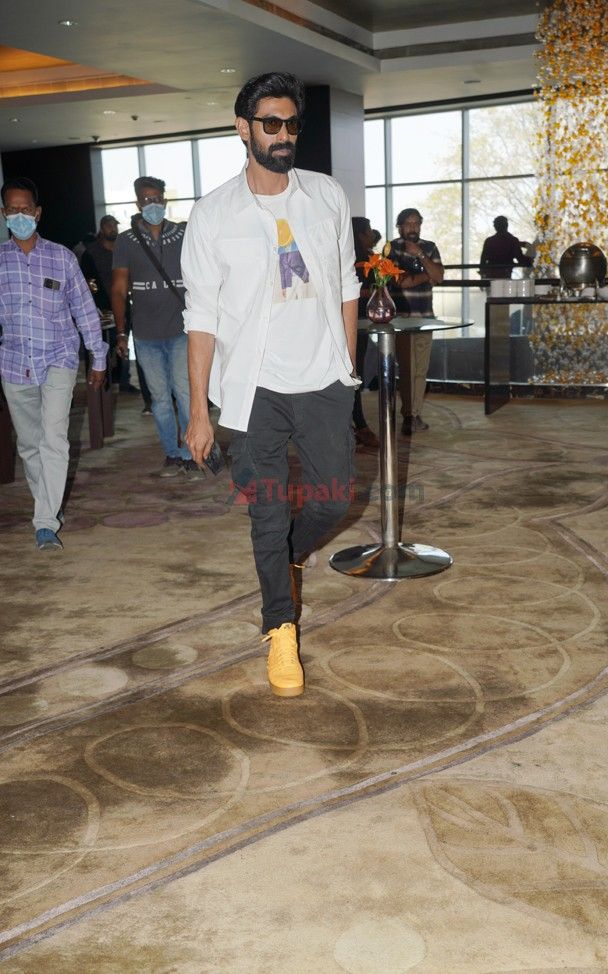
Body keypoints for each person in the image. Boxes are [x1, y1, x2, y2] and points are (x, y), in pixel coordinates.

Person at [182, 71, 360, 698]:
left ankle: (285, 556)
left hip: (323, 377)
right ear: (244, 128)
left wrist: (347, 366)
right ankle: (279, 629)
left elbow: (347, 286)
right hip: (252, 385)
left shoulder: (326, 196)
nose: (284, 135)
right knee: (266, 509)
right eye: (271, 124)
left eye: (291, 124)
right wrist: (200, 412)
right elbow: (201, 318)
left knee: (334, 500)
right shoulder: (213, 215)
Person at [0, 177, 107, 550]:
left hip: (58, 357)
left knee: (54, 439)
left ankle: (45, 523)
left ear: (38, 212)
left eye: (26, 209)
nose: (20, 215)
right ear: (4, 213)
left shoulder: (61, 257)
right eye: (13, 210)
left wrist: (98, 356)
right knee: (29, 445)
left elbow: (84, 309)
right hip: (14, 364)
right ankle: (48, 503)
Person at [111, 176, 212, 479]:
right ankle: (171, 453)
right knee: (159, 400)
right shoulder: (126, 241)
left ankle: (192, 453)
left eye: (157, 199)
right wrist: (121, 333)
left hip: (182, 331)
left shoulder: (183, 234)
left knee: (185, 393)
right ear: (137, 203)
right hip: (146, 335)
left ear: (164, 201)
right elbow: (118, 289)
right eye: (146, 200)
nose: (152, 204)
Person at [387, 208, 444, 435]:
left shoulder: (429, 247)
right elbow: (401, 282)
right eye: (408, 223)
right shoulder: (391, 249)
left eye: (416, 223)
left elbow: (439, 276)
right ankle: (407, 414)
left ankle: (415, 415)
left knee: (421, 370)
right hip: (401, 320)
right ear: (400, 226)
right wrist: (427, 275)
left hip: (425, 317)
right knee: (406, 369)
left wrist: (420, 255)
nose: (413, 227)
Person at [80, 215, 137, 393]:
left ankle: (124, 381)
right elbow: (86, 281)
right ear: (102, 228)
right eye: (109, 225)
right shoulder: (91, 252)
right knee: (102, 345)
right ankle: (101, 383)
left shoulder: (122, 249)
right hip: (101, 308)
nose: (113, 228)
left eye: (115, 225)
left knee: (123, 341)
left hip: (123, 304)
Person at [351, 216, 379, 449]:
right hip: (354, 323)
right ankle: (359, 425)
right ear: (360, 234)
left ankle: (356, 425)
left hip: (361, 322)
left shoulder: (367, 259)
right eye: (369, 230)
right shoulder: (356, 261)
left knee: (356, 374)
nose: (372, 234)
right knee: (354, 374)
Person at [479, 215, 532, 280]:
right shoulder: (513, 240)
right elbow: (520, 259)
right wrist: (532, 260)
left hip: (491, 275)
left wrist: (482, 276)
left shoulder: (489, 241)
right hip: (506, 274)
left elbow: (483, 260)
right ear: (506, 225)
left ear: (495, 227)